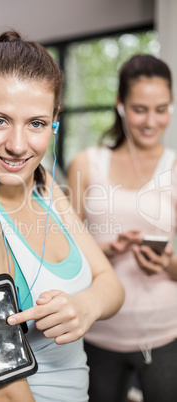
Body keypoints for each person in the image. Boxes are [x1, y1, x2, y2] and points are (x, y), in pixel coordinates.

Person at [0, 30, 124, 402]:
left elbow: (112, 285)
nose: (18, 145)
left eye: (36, 123)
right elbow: (3, 393)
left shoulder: (45, 187)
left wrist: (85, 306)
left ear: (55, 120)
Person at [67, 54, 177, 402]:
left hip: (165, 334)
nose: (151, 120)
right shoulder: (86, 163)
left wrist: (167, 263)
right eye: (139, 108)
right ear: (120, 105)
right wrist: (105, 252)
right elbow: (63, 254)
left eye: (161, 109)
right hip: (97, 330)